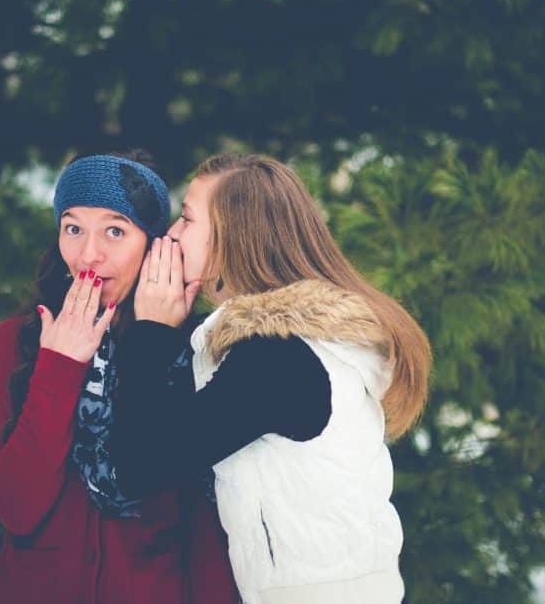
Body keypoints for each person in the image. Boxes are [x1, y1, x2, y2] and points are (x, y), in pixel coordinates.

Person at [107, 153, 432, 604]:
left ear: (230, 239)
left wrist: (150, 333)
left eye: (186, 220)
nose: (172, 235)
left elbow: (140, 466)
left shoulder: (276, 361)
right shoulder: (307, 343)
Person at [0, 151, 238, 604]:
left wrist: (153, 339)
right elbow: (16, 508)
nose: (88, 254)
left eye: (115, 230)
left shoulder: (194, 347)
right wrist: (59, 368)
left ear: (154, 245)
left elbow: (205, 529)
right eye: (73, 228)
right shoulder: (16, 342)